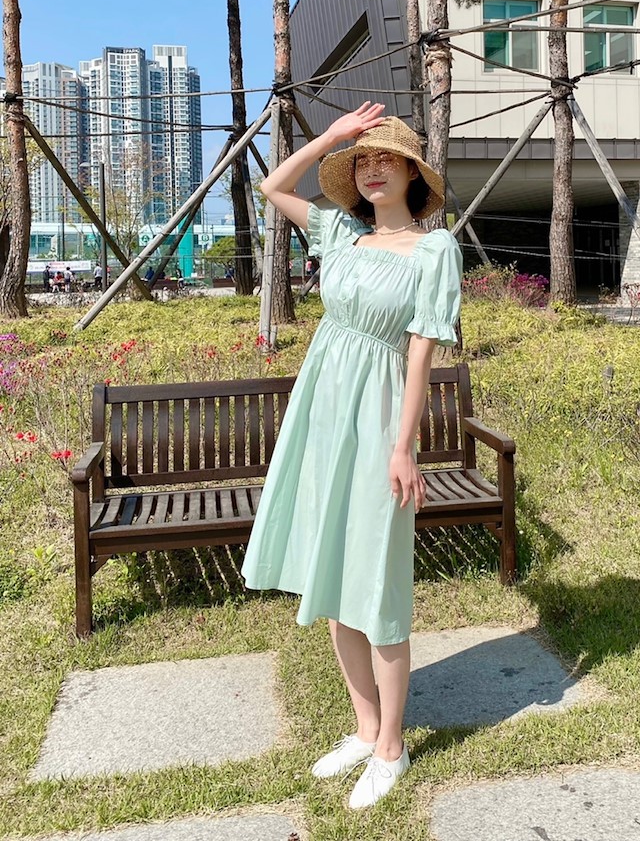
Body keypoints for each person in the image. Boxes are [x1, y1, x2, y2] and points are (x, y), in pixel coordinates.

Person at [241, 103, 462, 809]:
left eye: (386, 159)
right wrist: (331, 138)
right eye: (363, 161)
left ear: (413, 174)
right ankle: (366, 729)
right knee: (334, 576)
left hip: (380, 417)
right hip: (323, 414)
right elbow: (272, 187)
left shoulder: (435, 249)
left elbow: (422, 353)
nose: (372, 171)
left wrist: (404, 447)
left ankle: (392, 747)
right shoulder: (340, 234)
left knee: (377, 582)